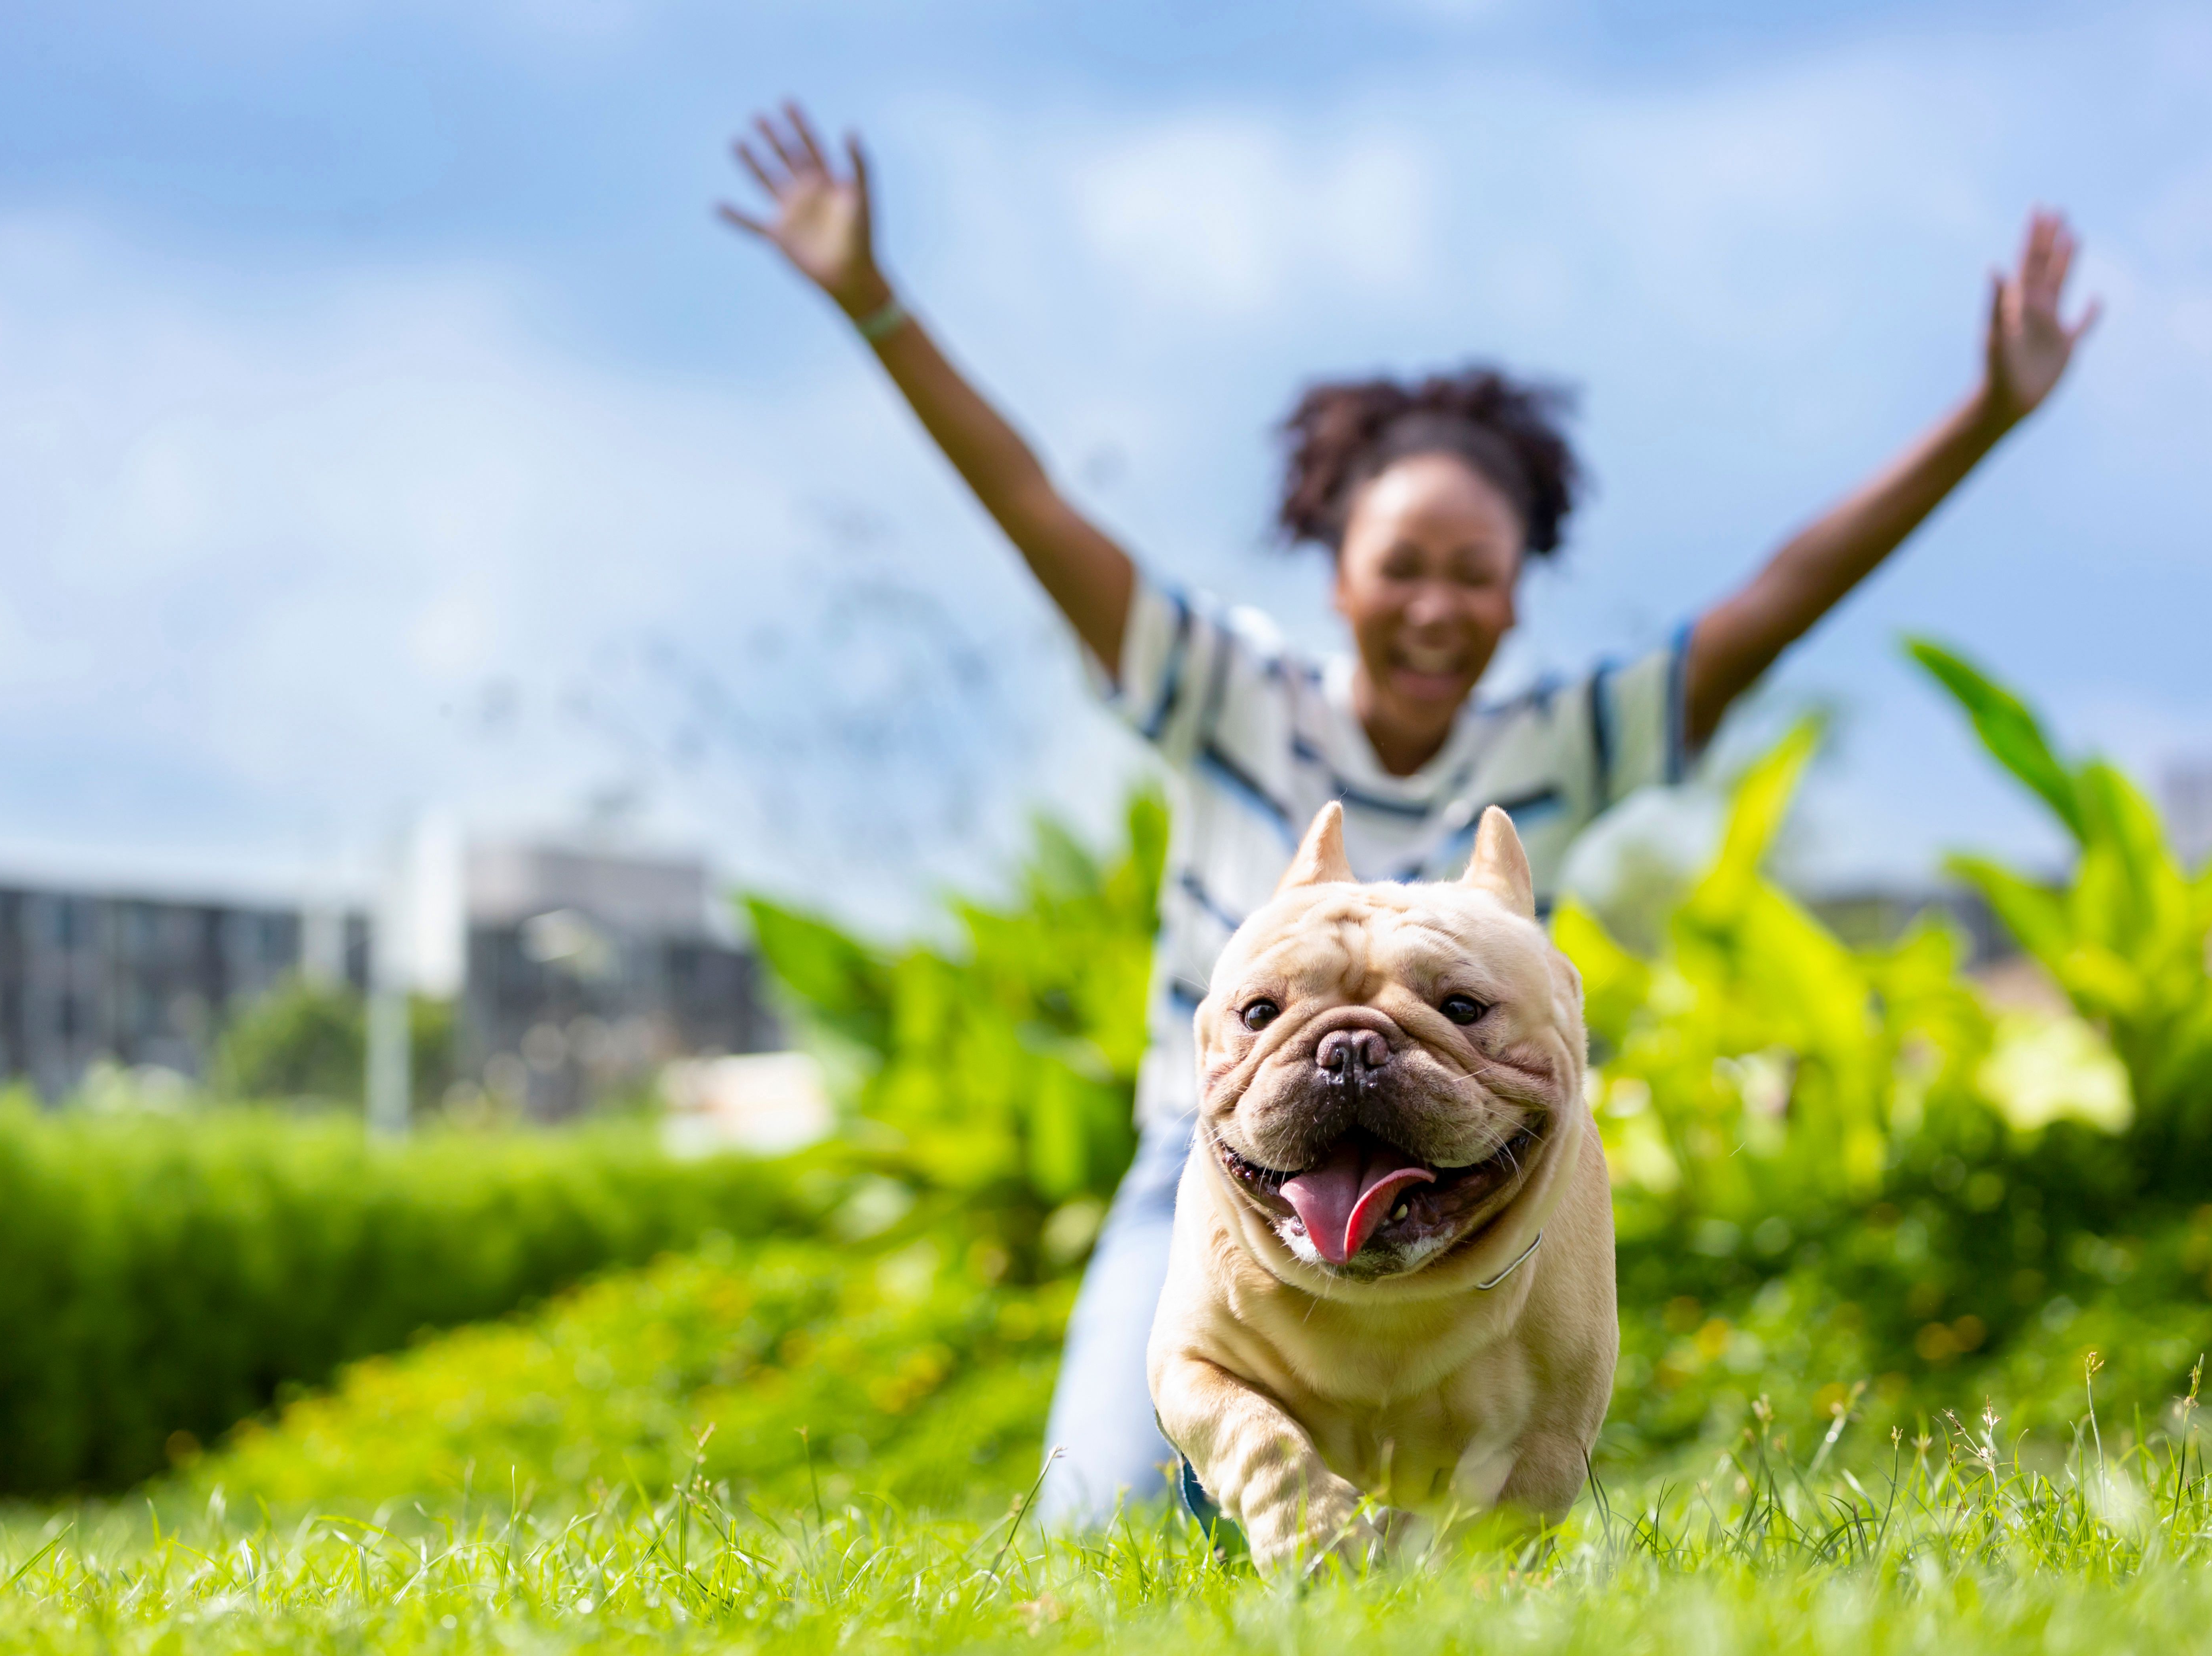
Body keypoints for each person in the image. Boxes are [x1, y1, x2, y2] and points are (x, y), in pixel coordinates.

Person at [720, 102, 2096, 1523]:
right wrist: (874, 301)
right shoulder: (1231, 695)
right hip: (1205, 1167)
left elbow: (1782, 595)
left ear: (1520, 585)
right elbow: (1031, 504)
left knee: (1458, 1534)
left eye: (1474, 572)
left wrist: (1985, 415)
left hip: (1484, 1184)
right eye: (1402, 565)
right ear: (1338, 569)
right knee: (1112, 1524)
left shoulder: (1560, 742)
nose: (1435, 605)